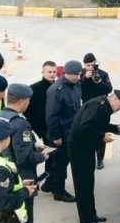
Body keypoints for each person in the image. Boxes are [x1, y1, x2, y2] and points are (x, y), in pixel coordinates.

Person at [0, 83, 47, 223]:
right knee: (24, 222)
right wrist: (42, 157)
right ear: (21, 101)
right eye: (28, 100)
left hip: (5, 174)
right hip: (22, 177)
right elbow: (24, 157)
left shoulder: (0, 116)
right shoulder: (20, 123)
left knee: (12, 219)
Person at [69, 90, 120, 223]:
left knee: (89, 183)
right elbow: (85, 127)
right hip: (79, 149)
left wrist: (117, 128)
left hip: (85, 148)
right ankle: (86, 220)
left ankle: (92, 214)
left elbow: (97, 125)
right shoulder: (98, 106)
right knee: (83, 185)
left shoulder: (103, 106)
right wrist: (102, 137)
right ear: (114, 99)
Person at [42, 60, 82, 203]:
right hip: (61, 135)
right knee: (60, 163)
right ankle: (59, 191)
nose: (78, 77)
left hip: (71, 131)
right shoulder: (56, 90)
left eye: (79, 74)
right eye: (76, 75)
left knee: (61, 162)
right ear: (67, 74)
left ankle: (49, 184)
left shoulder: (76, 85)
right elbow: (51, 115)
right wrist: (55, 136)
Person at [81, 53, 113, 170]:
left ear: (95, 62)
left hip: (101, 108)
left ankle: (100, 159)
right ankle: (88, 157)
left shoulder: (103, 74)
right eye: (87, 65)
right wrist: (85, 79)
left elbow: (109, 89)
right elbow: (77, 89)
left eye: (91, 65)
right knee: (87, 132)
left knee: (101, 133)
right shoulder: (81, 74)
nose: (89, 67)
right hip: (87, 108)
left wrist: (100, 82)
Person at [25, 61, 58, 141]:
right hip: (38, 127)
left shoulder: (59, 87)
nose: (52, 74)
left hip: (53, 127)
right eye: (49, 72)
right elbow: (27, 110)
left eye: (54, 72)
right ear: (42, 72)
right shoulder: (33, 89)